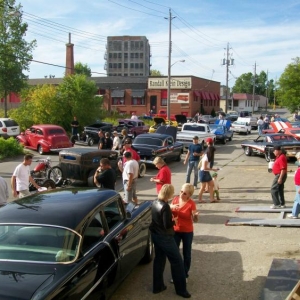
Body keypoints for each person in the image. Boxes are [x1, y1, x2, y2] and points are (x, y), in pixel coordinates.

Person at [150, 184, 191, 298]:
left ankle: (157, 286)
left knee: (159, 260)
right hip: (165, 237)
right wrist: (175, 220)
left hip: (155, 235)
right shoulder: (165, 206)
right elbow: (167, 225)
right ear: (169, 194)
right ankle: (181, 290)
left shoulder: (155, 202)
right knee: (177, 261)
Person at [170, 183, 199, 281]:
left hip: (187, 231)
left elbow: (195, 219)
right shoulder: (175, 199)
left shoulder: (191, 203)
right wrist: (171, 207)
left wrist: (195, 216)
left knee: (186, 254)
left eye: (185, 193)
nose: (182, 194)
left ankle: (184, 274)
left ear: (189, 195)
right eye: (181, 191)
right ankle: (176, 275)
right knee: (175, 254)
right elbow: (169, 208)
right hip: (175, 230)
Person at [288, 152, 300, 219]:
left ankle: (294, 214)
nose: (297, 160)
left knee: (298, 200)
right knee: (297, 200)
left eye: (298, 158)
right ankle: (294, 213)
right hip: (298, 184)